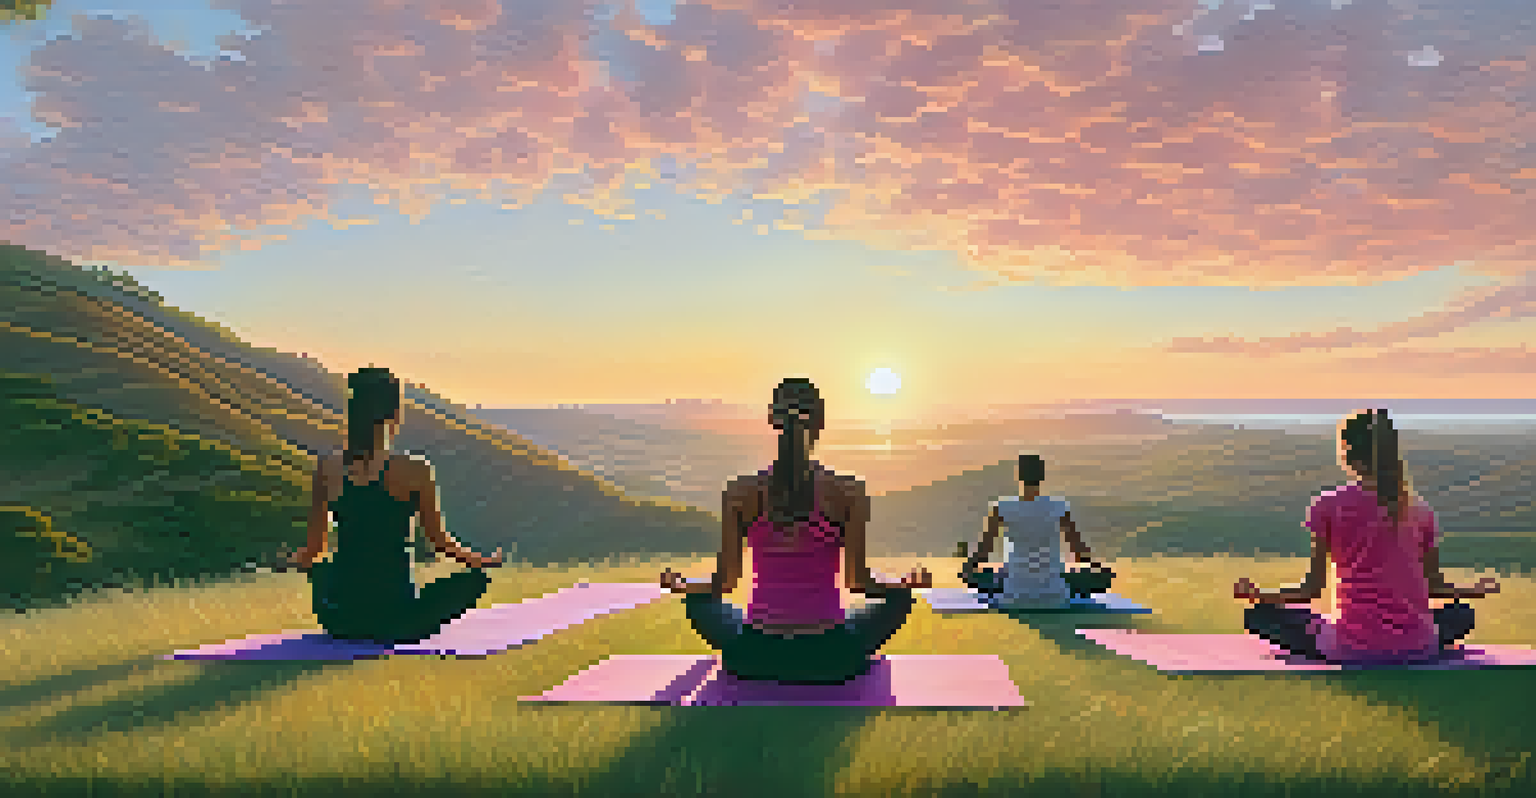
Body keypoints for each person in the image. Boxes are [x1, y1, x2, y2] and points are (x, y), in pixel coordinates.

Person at [659, 377, 932, 684]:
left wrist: (685, 586)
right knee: (901, 600)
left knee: (698, 600)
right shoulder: (848, 492)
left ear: (772, 420)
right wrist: (902, 584)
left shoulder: (739, 492)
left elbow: (724, 583)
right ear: (821, 423)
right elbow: (859, 583)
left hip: (752, 656)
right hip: (831, 657)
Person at [1235, 409, 1500, 664]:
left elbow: (1311, 590)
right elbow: (1434, 587)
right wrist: (1472, 591)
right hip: (1418, 647)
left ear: (1347, 455)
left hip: (1351, 647)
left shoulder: (1328, 505)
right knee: (1460, 614)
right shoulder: (1420, 510)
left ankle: (1342, 635)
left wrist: (1259, 595)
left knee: (1260, 616)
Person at [291, 367, 504, 643]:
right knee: (475, 581)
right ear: (394, 415)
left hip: (339, 617)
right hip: (394, 619)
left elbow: (313, 551)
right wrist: (481, 561)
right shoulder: (415, 470)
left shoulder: (327, 469)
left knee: (323, 570)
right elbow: (439, 542)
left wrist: (296, 562)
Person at [961, 453, 1103, 608]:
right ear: (1042, 477)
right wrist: (1096, 568)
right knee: (1076, 575)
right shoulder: (1059, 507)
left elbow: (984, 552)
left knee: (989, 575)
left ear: (1019, 477)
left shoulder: (1001, 507)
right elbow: (1079, 552)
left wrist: (968, 568)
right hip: (1056, 596)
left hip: (1013, 595)